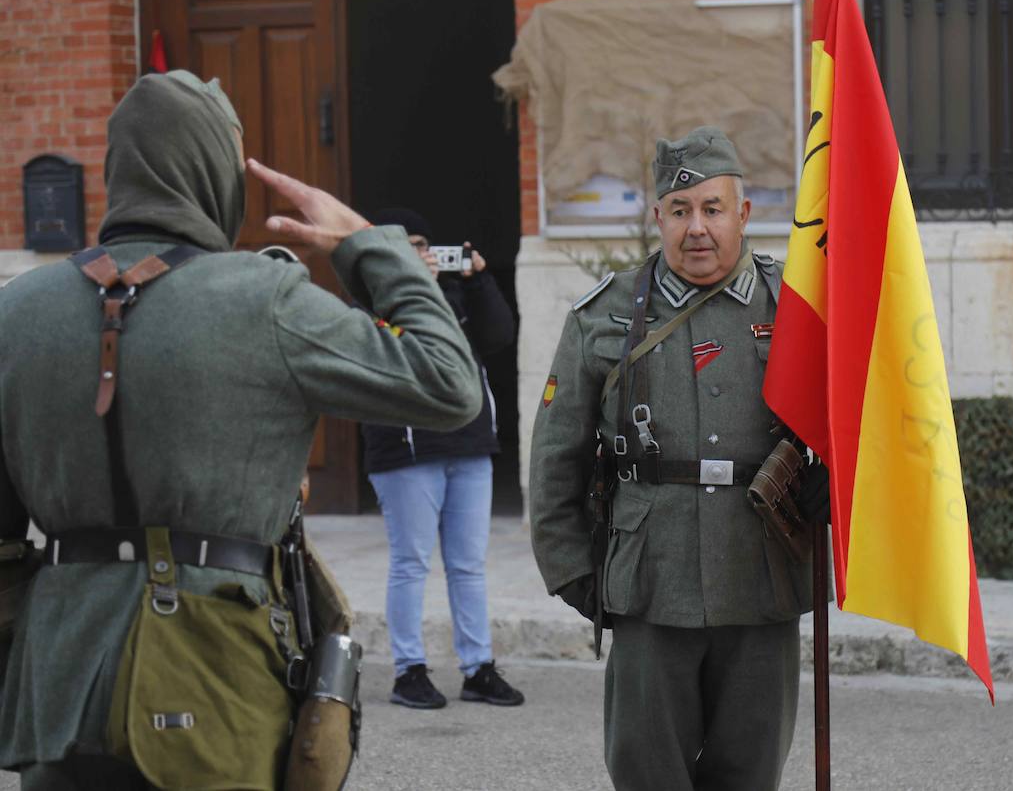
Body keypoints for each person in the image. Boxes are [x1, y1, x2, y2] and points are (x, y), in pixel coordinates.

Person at [0, 71, 482, 789]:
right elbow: (450, 383)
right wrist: (366, 245)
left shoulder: (18, 311)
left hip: (58, 686)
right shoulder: (265, 299)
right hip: (214, 682)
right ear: (212, 171)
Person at [529, 126, 828, 790]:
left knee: (749, 772)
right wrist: (581, 577)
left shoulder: (797, 309)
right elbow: (556, 457)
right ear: (656, 216)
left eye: (713, 209)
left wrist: (836, 477)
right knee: (645, 771)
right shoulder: (603, 316)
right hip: (648, 582)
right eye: (680, 209)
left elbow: (855, 420)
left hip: (762, 578)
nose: (698, 228)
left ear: (743, 214)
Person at [361, 207, 524, 709]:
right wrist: (413, 290)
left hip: (469, 445)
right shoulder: (371, 302)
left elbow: (499, 336)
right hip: (407, 450)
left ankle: (477, 667)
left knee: (468, 565)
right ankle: (408, 670)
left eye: (424, 245)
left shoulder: (454, 296)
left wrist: (478, 282)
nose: (421, 254)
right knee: (411, 563)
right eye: (407, 245)